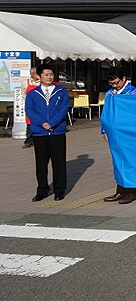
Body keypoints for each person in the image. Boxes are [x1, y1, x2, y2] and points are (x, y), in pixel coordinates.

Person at [25, 64, 70, 202]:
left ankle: (59, 190)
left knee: (59, 163)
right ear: (39, 76)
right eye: (46, 74)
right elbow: (29, 110)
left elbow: (64, 108)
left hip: (57, 132)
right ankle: (42, 190)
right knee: (41, 164)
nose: (49, 77)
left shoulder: (61, 91)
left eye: (51, 74)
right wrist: (42, 123)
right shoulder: (33, 93)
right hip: (40, 133)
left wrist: (53, 123)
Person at [101, 68, 136, 204]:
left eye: (116, 83)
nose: (114, 86)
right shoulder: (109, 93)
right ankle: (120, 190)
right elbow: (105, 113)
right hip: (114, 132)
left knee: (130, 160)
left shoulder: (133, 92)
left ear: (124, 79)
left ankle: (131, 192)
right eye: (112, 83)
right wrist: (104, 130)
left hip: (128, 132)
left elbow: (135, 112)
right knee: (118, 161)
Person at [22, 66, 40, 148]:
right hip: (30, 105)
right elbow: (23, 93)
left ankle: (38, 140)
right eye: (36, 73)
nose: (37, 75)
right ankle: (29, 140)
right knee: (29, 123)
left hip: (40, 106)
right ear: (31, 74)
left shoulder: (41, 82)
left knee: (39, 122)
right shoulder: (26, 82)